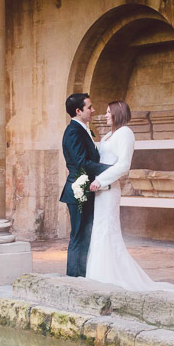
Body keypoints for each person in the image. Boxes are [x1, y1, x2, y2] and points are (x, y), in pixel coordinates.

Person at [86, 101, 174, 294]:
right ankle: (97, 274)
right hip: (99, 187)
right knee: (98, 229)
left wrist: (101, 180)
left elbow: (123, 164)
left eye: (108, 112)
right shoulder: (108, 135)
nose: (105, 116)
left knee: (107, 229)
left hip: (108, 187)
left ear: (118, 113)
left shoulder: (125, 133)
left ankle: (111, 277)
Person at [61, 93, 110, 277]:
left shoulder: (82, 129)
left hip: (84, 189)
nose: (93, 110)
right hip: (78, 191)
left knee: (85, 235)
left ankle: (82, 275)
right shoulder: (74, 131)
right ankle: (74, 278)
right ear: (78, 111)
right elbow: (81, 163)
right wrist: (111, 169)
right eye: (89, 107)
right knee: (79, 236)